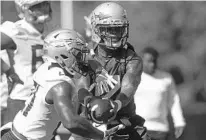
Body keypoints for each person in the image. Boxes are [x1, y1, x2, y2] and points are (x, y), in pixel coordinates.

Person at [1, 29, 128, 140]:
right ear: (62, 54)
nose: (82, 58)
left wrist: (99, 71)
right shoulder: (60, 84)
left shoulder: (47, 68)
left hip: (22, 133)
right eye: (78, 54)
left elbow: (88, 63)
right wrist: (103, 136)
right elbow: (71, 122)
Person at [70, 2, 149, 140]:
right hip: (89, 122)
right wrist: (91, 102)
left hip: (122, 121)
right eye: (108, 29)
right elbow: (81, 87)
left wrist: (115, 105)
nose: (114, 34)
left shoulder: (131, 59)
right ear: (96, 29)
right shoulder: (85, 56)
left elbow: (128, 89)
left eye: (117, 29)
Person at [0, 0, 52, 122]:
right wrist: (7, 70)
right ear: (22, 9)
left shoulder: (50, 32)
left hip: (46, 100)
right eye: (36, 6)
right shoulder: (15, 30)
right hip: (21, 100)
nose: (44, 8)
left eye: (45, 3)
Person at [134, 47, 186, 140]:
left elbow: (173, 101)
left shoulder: (166, 78)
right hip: (138, 128)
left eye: (154, 61)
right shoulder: (133, 78)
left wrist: (179, 122)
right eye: (149, 61)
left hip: (160, 129)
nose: (152, 64)